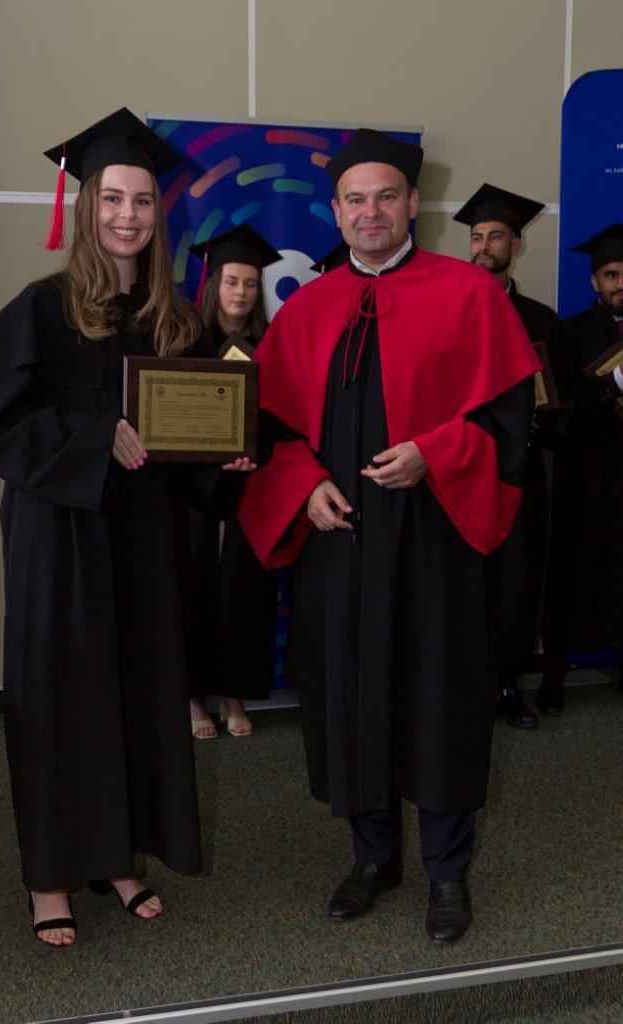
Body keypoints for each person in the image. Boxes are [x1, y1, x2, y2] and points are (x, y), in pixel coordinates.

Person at [238, 129, 540, 942]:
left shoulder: (468, 294)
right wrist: (303, 487)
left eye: (386, 196)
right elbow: (269, 429)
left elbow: (510, 423)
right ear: (336, 213)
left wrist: (435, 453)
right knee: (349, 690)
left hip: (437, 539)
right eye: (355, 199)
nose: (370, 212)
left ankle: (445, 869)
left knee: (439, 694)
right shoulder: (308, 309)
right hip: (341, 544)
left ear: (413, 205)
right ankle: (373, 857)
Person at [0, 108, 252, 946]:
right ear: (86, 207)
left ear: (161, 213)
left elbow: (187, 441)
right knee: (58, 696)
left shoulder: (173, 321)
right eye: (113, 199)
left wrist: (223, 458)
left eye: (143, 201)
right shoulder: (41, 308)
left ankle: (118, 858)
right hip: (57, 534)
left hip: (142, 536)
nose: (128, 215)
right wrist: (95, 437)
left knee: (135, 687)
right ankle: (49, 877)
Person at [454, 184, 572, 729]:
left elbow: (560, 399)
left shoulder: (541, 320)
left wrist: (540, 423)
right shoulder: (448, 306)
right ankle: (457, 684)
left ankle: (505, 683)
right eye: (476, 237)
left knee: (516, 576)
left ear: (516, 245)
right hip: (460, 465)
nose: (483, 247)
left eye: (495, 237)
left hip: (520, 469)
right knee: (458, 574)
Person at [186, 226, 282, 738]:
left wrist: (252, 455)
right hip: (195, 491)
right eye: (230, 282)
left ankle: (235, 694)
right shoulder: (186, 341)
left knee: (244, 593)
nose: (240, 293)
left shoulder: (272, 344)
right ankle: (194, 699)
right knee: (193, 586)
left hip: (251, 485)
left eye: (249, 283)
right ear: (213, 285)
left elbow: (282, 418)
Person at [539, 224, 623, 712]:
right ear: (595, 281)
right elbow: (561, 406)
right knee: (572, 571)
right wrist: (614, 382)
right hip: (586, 473)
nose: (620, 284)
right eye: (610, 275)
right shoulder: (570, 333)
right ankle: (554, 674)